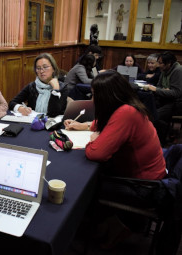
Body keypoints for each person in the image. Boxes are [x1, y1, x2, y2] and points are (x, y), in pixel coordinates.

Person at [64, 70, 167, 249]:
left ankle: (105, 227)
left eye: (95, 95)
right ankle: (107, 223)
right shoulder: (126, 106)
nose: (92, 99)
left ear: (107, 97)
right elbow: (100, 123)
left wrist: (93, 140)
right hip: (150, 175)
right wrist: (82, 125)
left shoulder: (126, 113)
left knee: (84, 185)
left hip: (144, 187)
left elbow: (96, 153)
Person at [8, 53, 68, 117]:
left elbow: (53, 113)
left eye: (45, 67)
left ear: (53, 68)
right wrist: (20, 108)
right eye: (38, 68)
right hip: (33, 121)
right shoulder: (32, 86)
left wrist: (55, 90)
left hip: (53, 123)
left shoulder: (63, 87)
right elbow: (12, 103)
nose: (41, 71)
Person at [143, 51, 182, 144]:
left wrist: (157, 90)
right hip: (165, 99)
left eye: (160, 63)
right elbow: (160, 86)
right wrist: (164, 90)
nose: (158, 65)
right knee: (145, 109)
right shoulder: (164, 70)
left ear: (168, 63)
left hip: (177, 103)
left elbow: (176, 93)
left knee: (155, 116)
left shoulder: (178, 70)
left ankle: (160, 142)